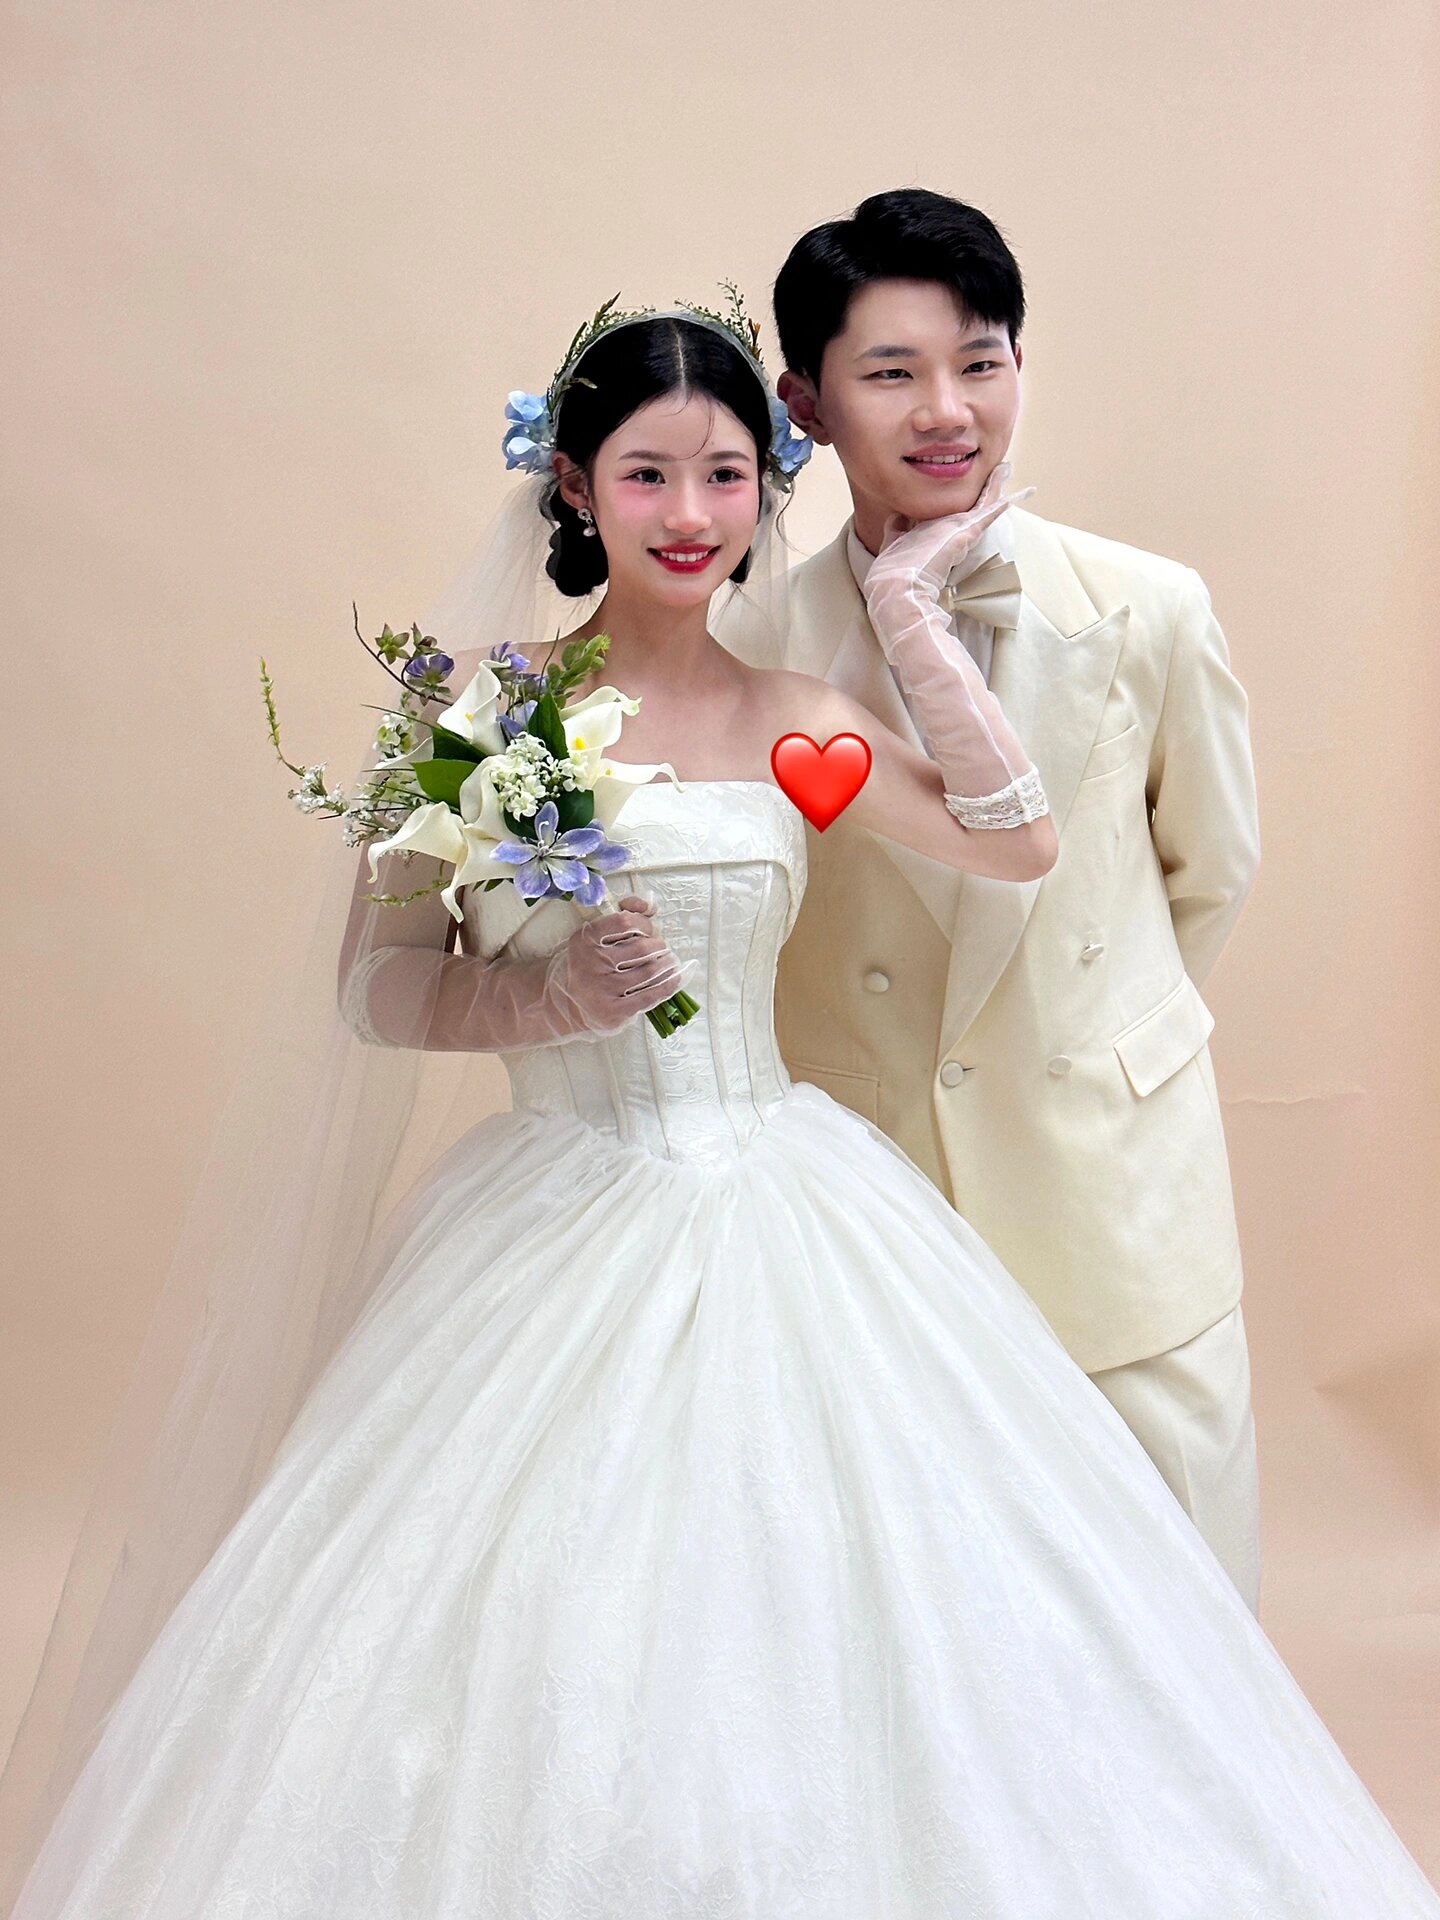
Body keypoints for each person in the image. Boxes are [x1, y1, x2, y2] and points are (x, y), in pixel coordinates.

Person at [7, 301, 1437, 1918]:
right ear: (572, 486)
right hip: (550, 1218)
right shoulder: (476, 719)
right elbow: (378, 985)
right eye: (647, 474)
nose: (692, 515)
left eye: (729, 475)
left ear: (770, 486)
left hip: (785, 1195)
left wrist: (904, 610)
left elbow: (1015, 838)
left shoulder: (790, 717)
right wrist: (540, 1000)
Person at [719, 188, 1265, 1609]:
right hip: (878, 1200)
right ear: (806, 404)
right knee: (920, 1623)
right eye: (892, 373)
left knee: (1178, 1614)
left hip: (1114, 1187)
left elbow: (1211, 871)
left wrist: (1080, 1035)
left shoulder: (1150, 608)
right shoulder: (751, 647)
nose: (948, 411)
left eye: (981, 361)